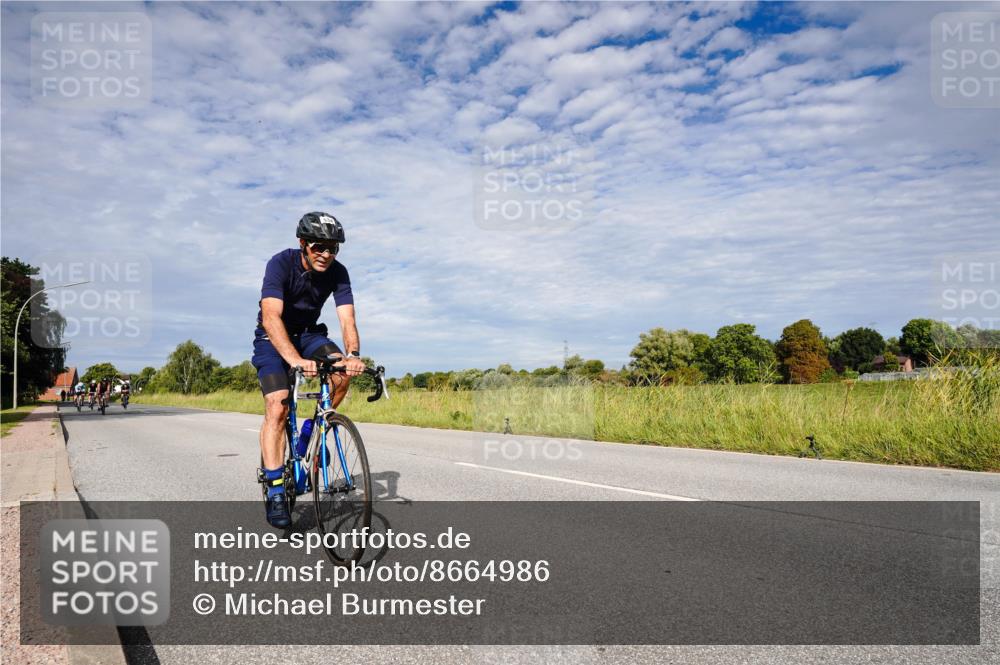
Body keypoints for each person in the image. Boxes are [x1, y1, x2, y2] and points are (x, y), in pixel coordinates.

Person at [251, 212, 366, 528]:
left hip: (309, 335)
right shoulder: (281, 263)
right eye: (319, 247)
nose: (326, 254)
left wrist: (353, 355)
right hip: (272, 337)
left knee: (341, 371)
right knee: (277, 405)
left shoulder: (338, 272)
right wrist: (294, 359)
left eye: (333, 248)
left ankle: (312, 432)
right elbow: (271, 316)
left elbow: (347, 319)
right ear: (303, 243)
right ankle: (276, 488)